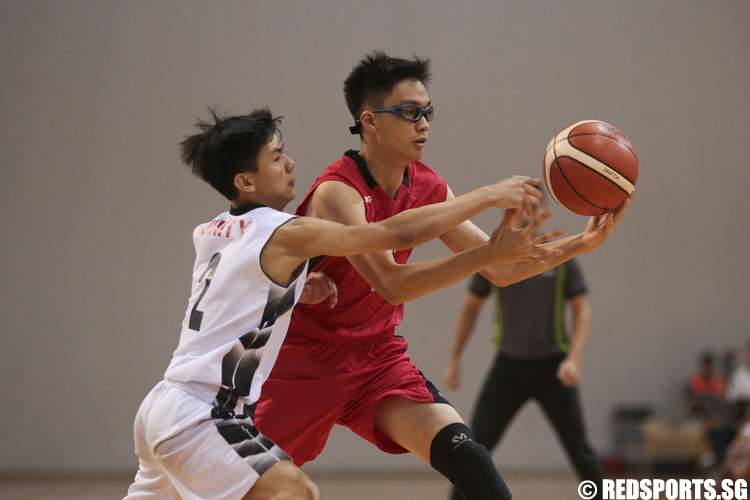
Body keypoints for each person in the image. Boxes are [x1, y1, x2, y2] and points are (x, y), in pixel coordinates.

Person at [254, 51, 631, 500]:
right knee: (240, 487)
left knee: (469, 457)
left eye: (427, 112)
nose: (424, 124)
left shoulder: (427, 185)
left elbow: (502, 268)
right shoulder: (338, 191)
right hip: (303, 363)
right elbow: (391, 283)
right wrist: (488, 202)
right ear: (370, 121)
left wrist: (580, 244)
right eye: (410, 112)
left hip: (377, 360)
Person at [123, 108, 549, 500]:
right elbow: (395, 235)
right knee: (294, 492)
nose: (290, 164)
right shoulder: (284, 231)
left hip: (162, 405)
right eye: (276, 157)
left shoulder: (211, 231)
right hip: (205, 412)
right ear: (245, 181)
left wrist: (300, 283)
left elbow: (244, 284)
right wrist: (488, 195)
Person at [442, 193, 605, 500]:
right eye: (522, 208)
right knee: (474, 447)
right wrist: (454, 360)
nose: (528, 214)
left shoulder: (561, 256)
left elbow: (581, 308)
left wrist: (574, 360)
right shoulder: (496, 260)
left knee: (580, 450)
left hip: (553, 367)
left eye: (536, 207)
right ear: (511, 215)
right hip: (509, 368)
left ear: (546, 212)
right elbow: (470, 307)